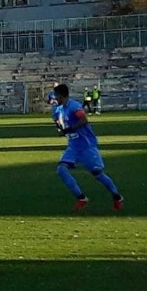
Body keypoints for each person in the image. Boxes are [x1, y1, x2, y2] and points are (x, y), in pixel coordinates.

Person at [54, 84, 124, 212]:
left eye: (56, 96)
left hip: (86, 146)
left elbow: (84, 119)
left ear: (61, 96)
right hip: (73, 146)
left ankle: (117, 197)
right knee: (61, 169)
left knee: (98, 174)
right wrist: (62, 130)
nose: (55, 98)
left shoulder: (74, 106)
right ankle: (81, 198)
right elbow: (62, 124)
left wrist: (69, 129)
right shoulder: (61, 109)